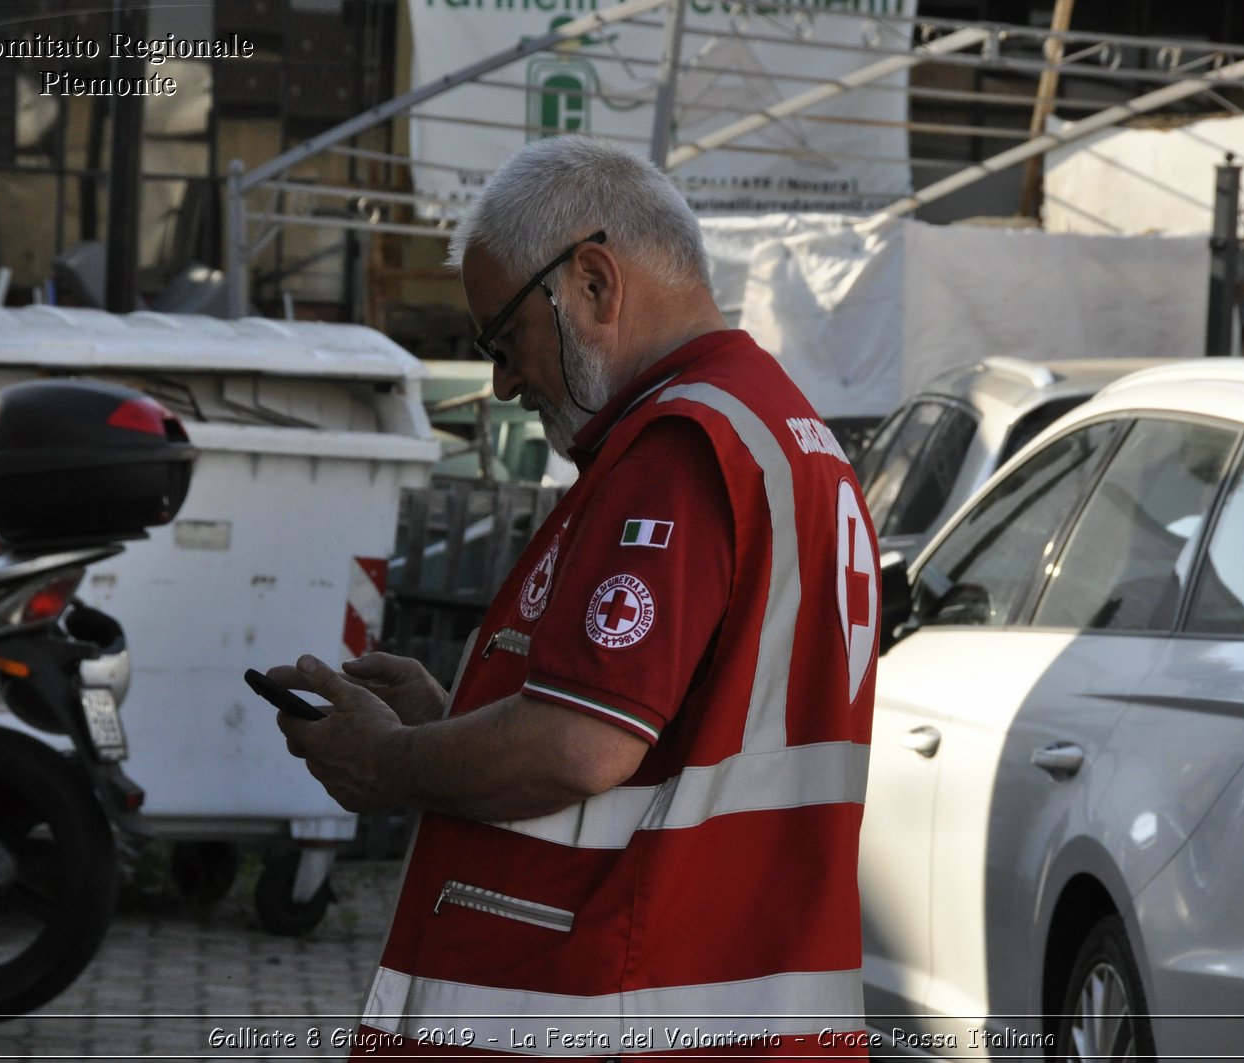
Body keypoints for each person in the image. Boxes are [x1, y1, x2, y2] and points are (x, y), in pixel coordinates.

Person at [269, 136, 881, 1057]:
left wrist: (390, 762)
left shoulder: (679, 447)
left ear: (594, 284)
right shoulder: (781, 432)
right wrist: (452, 728)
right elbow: (663, 742)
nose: (503, 383)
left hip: (620, 1003)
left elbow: (580, 744)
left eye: (504, 339)